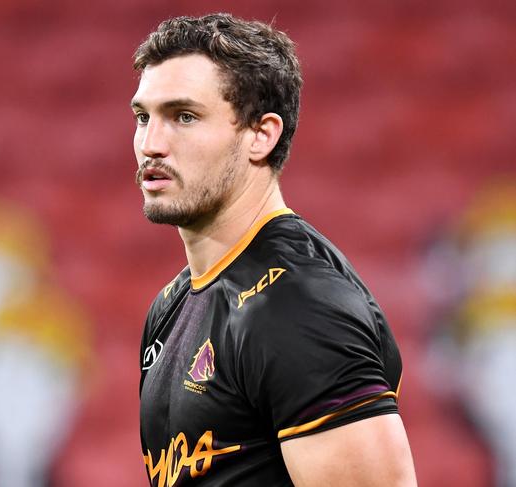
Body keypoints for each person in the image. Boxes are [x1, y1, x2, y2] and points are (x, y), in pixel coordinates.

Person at [131, 13, 417, 487]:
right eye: (144, 117)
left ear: (261, 135)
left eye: (184, 116)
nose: (151, 144)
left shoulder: (296, 304)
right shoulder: (172, 304)